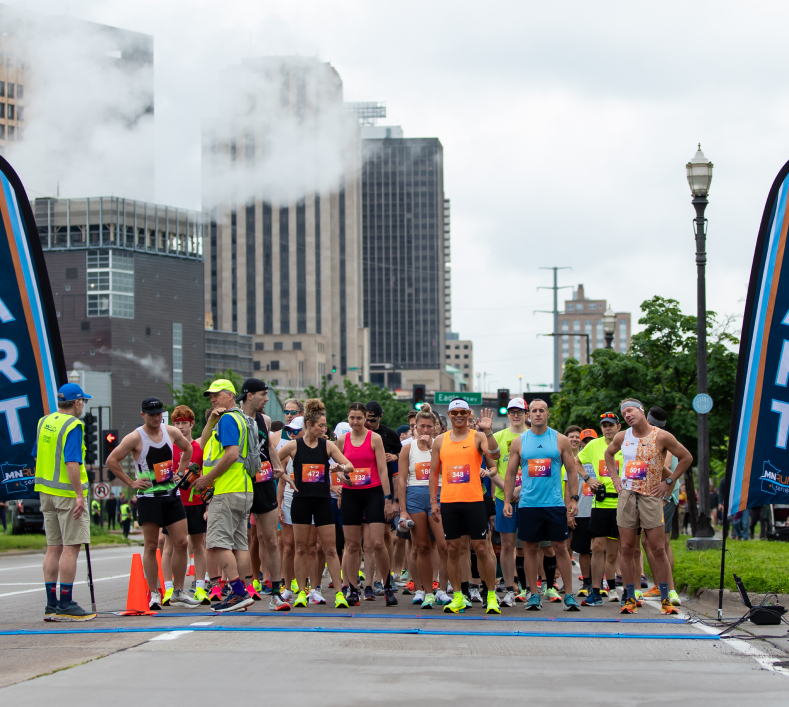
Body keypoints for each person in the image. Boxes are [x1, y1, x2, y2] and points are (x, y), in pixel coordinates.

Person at [107, 397, 201, 610]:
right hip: (149, 499)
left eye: (159, 413)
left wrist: (179, 473)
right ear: (143, 415)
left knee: (182, 543)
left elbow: (188, 450)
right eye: (151, 415)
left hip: (171, 495)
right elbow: (112, 460)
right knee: (151, 546)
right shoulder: (135, 437)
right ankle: (154, 593)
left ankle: (178, 592)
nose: (156, 418)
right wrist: (131, 482)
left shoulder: (171, 432)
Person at [605, 398, 692, 615]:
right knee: (626, 549)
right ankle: (630, 597)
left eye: (631, 410)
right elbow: (609, 454)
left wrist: (669, 482)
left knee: (658, 548)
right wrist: (615, 479)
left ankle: (665, 598)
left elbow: (686, 458)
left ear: (642, 411)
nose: (627, 415)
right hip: (627, 496)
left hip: (651, 497)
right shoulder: (622, 436)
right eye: (624, 413)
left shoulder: (660, 435)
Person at [503, 398, 582, 612]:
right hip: (529, 504)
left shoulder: (560, 440)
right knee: (530, 549)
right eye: (534, 411)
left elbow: (572, 472)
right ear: (529, 415)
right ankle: (533, 595)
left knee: (561, 549)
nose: (538, 414)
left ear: (547, 414)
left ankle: (569, 595)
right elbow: (510, 474)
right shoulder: (520, 442)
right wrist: (507, 500)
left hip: (554, 504)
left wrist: (574, 498)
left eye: (542, 411)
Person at [277, 399, 352, 609]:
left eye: (325, 425)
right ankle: (302, 592)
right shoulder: (294, 445)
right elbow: (273, 458)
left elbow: (350, 465)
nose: (324, 429)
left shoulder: (327, 445)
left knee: (329, 548)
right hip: (301, 502)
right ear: (309, 425)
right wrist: (286, 477)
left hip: (322, 502)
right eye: (320, 425)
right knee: (300, 548)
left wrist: (340, 468)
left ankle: (339, 593)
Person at [429, 399, 501, 615]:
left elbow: (495, 456)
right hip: (450, 502)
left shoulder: (477, 436)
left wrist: (488, 432)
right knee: (452, 550)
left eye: (463, 412)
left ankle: (490, 596)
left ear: (469, 414)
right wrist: (434, 501)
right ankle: (458, 596)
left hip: (474, 501)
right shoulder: (440, 441)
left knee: (481, 548)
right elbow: (433, 473)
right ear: (449, 415)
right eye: (454, 412)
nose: (459, 416)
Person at [34, 382, 96, 621]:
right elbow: (72, 463)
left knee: (53, 547)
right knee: (71, 547)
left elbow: (38, 454)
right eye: (84, 402)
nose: (84, 406)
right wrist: (79, 495)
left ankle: (51, 605)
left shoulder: (44, 422)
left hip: (46, 491)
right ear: (77, 402)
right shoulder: (73, 425)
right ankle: (66, 603)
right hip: (67, 494)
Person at [193, 380, 256, 612]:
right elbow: (203, 444)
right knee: (239, 543)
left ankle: (237, 594)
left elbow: (231, 455)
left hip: (227, 490)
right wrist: (211, 420)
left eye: (217, 395)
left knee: (218, 543)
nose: (212, 399)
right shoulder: (241, 419)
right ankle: (243, 592)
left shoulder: (229, 419)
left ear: (230, 395)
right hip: (243, 488)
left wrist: (206, 480)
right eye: (210, 395)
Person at [238, 378, 291, 611]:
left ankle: (277, 592)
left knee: (270, 539)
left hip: (264, 482)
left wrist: (277, 466)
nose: (267, 399)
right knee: (240, 539)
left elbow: (268, 447)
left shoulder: (265, 420)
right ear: (249, 395)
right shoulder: (233, 419)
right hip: (239, 483)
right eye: (263, 395)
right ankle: (240, 590)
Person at [338, 402, 398, 606]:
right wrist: (341, 477)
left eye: (359, 418)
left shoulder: (375, 438)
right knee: (353, 545)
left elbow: (383, 470)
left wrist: (388, 499)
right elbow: (336, 466)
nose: (355, 422)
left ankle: (387, 585)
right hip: (350, 494)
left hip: (373, 493)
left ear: (365, 419)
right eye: (352, 418)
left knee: (378, 543)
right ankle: (353, 589)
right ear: (348, 418)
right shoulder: (341, 439)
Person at [395, 403, 448, 610]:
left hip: (438, 494)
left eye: (429, 426)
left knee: (444, 546)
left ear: (435, 427)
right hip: (415, 496)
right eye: (421, 426)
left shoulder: (441, 445)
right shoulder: (407, 448)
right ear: (415, 427)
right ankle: (426, 591)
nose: (425, 430)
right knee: (422, 547)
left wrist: (432, 447)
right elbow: (402, 480)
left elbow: (446, 471)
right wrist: (403, 509)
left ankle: (442, 589)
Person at [577, 412, 623, 606]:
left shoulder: (626, 443)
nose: (607, 428)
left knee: (614, 553)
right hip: (601, 503)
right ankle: (595, 591)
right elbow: (576, 461)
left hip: (621, 503)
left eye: (611, 425)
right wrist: (588, 479)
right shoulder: (593, 445)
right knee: (596, 547)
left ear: (618, 427)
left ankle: (614, 588)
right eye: (604, 425)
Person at [489, 398, 528, 608]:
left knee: (530, 546)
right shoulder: (497, 437)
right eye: (512, 412)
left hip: (530, 497)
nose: (516, 415)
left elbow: (538, 469)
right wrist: (509, 490)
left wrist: (520, 489)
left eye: (520, 411)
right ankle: (511, 589)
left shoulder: (533, 436)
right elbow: (491, 469)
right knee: (506, 545)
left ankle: (530, 589)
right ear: (508, 414)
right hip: (504, 499)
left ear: (526, 414)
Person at [641, 406, 683, 607]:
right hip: (655, 495)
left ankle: (669, 588)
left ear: (649, 422)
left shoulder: (661, 438)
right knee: (647, 541)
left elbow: (664, 466)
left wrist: (665, 494)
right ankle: (660, 584)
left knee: (662, 543)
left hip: (663, 497)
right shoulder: (660, 435)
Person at [170, 404, 210, 605]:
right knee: (170, 545)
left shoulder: (198, 448)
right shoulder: (169, 447)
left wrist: (207, 502)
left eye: (184, 423)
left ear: (192, 424)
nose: (180, 427)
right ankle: (170, 588)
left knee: (198, 545)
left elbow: (206, 475)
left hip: (195, 501)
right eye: (176, 423)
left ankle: (200, 587)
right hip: (174, 501)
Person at [570, 428, 595, 600]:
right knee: (584, 551)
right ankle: (586, 582)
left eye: (590, 441)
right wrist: (569, 512)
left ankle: (599, 583)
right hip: (581, 511)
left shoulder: (601, 458)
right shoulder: (573, 462)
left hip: (599, 509)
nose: (587, 445)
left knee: (601, 549)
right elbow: (567, 488)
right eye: (584, 442)